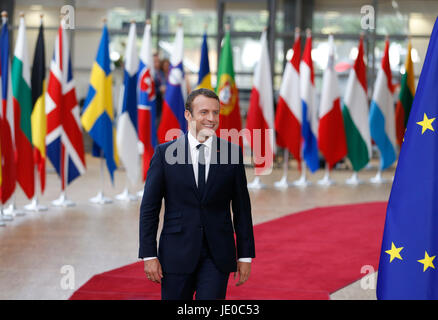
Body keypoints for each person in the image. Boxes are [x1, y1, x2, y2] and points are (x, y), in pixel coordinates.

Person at [138, 88, 255, 300]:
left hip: (217, 254)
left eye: (215, 112)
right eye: (204, 112)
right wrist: (149, 254)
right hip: (175, 253)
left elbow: (242, 209)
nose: (211, 119)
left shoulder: (232, 154)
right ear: (188, 114)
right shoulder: (165, 154)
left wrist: (245, 255)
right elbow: (149, 208)